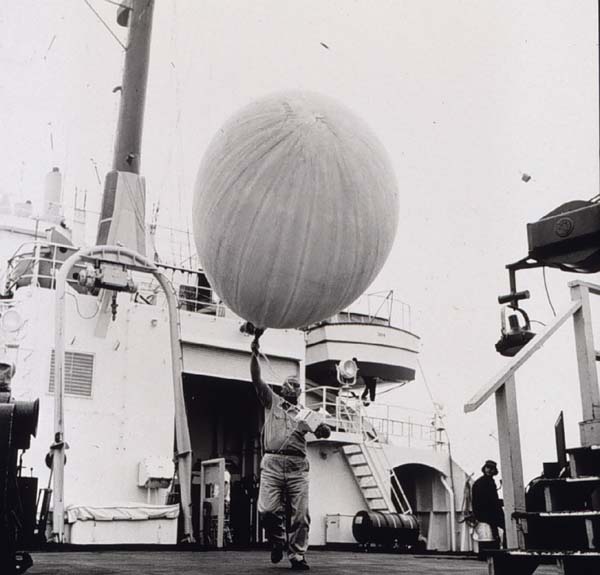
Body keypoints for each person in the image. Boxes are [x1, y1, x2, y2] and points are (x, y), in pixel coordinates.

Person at [250, 332, 330, 571]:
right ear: (283, 388)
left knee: (301, 515)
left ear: (299, 392)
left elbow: (324, 432)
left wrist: (322, 427)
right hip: (272, 464)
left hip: (297, 466)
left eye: (296, 386)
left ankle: (297, 555)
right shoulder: (272, 401)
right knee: (266, 510)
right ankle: (277, 540)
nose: (292, 388)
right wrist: (254, 354)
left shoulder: (305, 413)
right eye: (289, 385)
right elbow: (256, 379)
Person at [471, 459, 505, 549]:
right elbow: (489, 500)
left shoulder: (486, 482)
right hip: (486, 513)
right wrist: (502, 503)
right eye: (488, 468)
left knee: (502, 524)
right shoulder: (482, 483)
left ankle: (498, 545)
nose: (489, 470)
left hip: (485, 512)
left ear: (494, 471)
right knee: (506, 524)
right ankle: (501, 547)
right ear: (484, 469)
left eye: (492, 468)